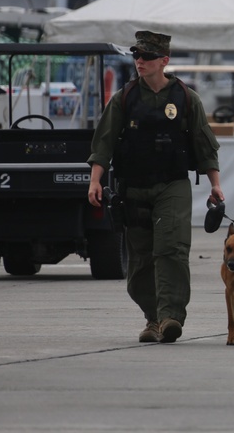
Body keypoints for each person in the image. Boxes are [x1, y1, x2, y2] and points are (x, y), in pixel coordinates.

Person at [87, 31, 225, 343]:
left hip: (172, 185)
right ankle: (153, 318)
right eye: (137, 55)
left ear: (164, 60)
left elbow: (205, 146)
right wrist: (95, 181)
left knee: (171, 250)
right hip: (133, 188)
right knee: (140, 263)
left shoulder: (187, 98)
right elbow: (104, 143)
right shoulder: (124, 98)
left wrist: (215, 186)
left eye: (147, 57)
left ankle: (170, 317)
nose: (140, 61)